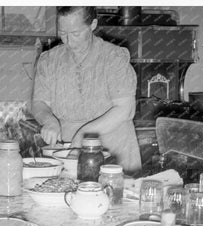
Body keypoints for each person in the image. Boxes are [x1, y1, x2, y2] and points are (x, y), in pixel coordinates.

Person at [31, 6, 142, 175]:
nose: (68, 41)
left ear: (93, 25)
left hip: (114, 152)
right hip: (70, 152)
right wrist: (49, 121)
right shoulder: (49, 60)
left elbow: (125, 110)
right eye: (62, 33)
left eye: (75, 34)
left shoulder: (113, 58)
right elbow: (40, 103)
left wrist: (84, 133)